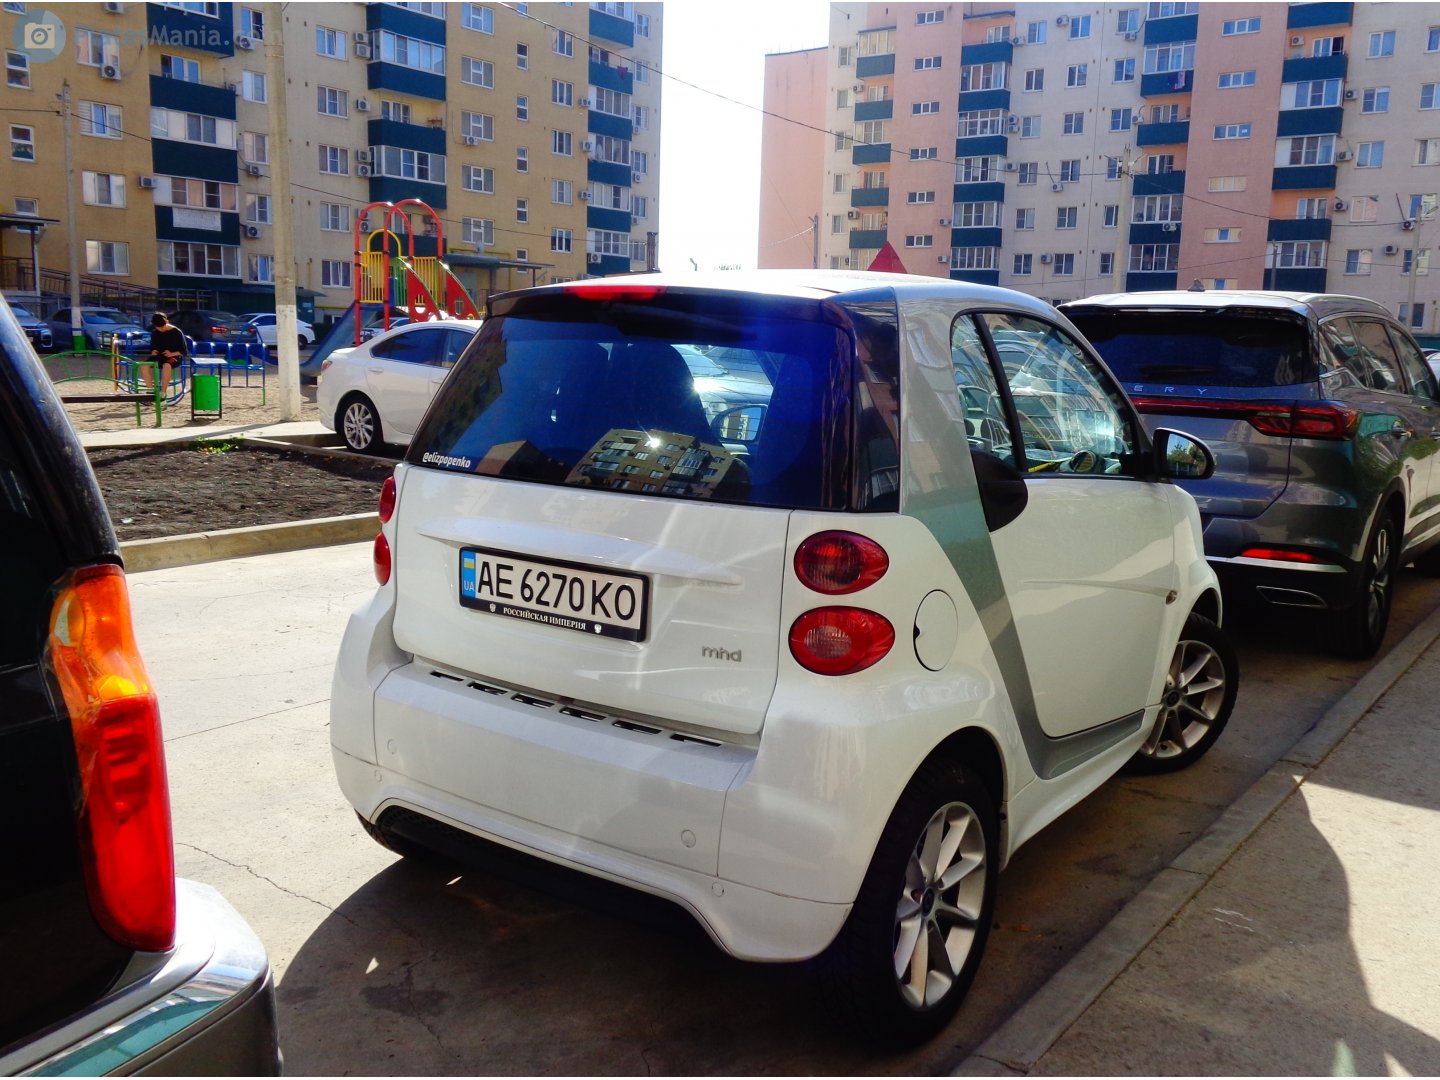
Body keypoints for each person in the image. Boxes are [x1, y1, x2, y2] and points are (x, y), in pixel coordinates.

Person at [147, 312, 187, 390]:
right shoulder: (155, 333)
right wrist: (153, 351)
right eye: (159, 327)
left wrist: (171, 354)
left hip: (173, 357)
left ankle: (163, 392)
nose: (161, 329)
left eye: (163, 326)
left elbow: (183, 351)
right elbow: (152, 347)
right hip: (159, 356)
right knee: (144, 366)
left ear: (167, 322)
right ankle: (150, 390)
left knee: (166, 366)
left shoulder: (177, 332)